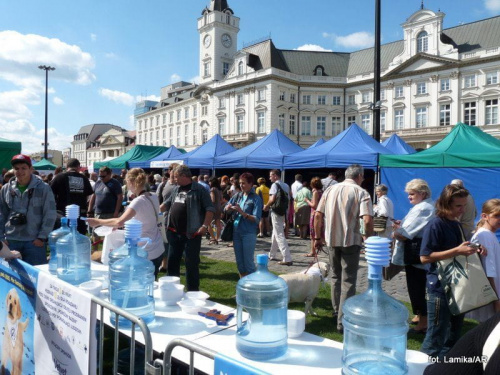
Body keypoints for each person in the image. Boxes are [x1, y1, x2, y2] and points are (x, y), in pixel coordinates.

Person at [420, 184, 486, 359]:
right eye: (458, 206)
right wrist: (457, 251)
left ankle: (443, 368)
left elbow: (457, 247)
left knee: (452, 337)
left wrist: (475, 247)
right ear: (446, 203)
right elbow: (425, 257)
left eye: (464, 205)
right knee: (435, 339)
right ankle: (421, 369)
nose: (462, 209)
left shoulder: (454, 223)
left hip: (458, 286)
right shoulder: (436, 224)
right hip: (440, 289)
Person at [314, 164, 373, 333]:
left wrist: (318, 238)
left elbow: (318, 215)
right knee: (348, 280)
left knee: (335, 276)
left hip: (332, 239)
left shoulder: (330, 190)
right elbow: (367, 220)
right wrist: (368, 239)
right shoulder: (361, 192)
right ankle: (342, 320)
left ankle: (336, 311)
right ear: (360, 176)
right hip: (351, 240)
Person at [87, 168, 165, 277]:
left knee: (140, 283)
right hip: (157, 247)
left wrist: (97, 222)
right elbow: (144, 218)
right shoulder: (153, 196)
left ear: (132, 182)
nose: (126, 185)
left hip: (145, 251)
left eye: (127, 182)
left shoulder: (138, 202)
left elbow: (119, 221)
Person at [392, 179, 435, 334]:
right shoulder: (423, 206)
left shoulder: (423, 208)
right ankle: (420, 315)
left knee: (416, 286)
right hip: (418, 252)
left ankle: (423, 321)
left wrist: (396, 232)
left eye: (412, 194)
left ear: (422, 194)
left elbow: (405, 234)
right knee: (417, 285)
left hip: (416, 253)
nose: (409, 197)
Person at [163, 165, 215, 291]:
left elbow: (210, 209)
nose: (174, 179)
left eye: (176, 176)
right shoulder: (176, 189)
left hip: (191, 234)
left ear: (183, 176)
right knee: (172, 262)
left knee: (191, 264)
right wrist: (152, 209)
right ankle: (172, 290)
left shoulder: (199, 190)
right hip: (173, 232)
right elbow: (167, 204)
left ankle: (192, 292)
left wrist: (204, 226)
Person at [0, 155, 56, 265]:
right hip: (11, 241)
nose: (20, 171)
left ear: (31, 169)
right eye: (16, 168)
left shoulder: (43, 188)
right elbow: (1, 214)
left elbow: (50, 213)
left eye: (23, 168)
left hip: (34, 242)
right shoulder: (6, 188)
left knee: (36, 277)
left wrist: (42, 237)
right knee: (12, 278)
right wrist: (2, 238)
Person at [423, 312, 500, 375]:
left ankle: (425, 361)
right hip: (446, 298)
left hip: (443, 297)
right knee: (446, 336)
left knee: (434, 337)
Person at [467, 199, 500, 323]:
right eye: (496, 215)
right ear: (485, 216)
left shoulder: (489, 235)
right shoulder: (484, 235)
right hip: (491, 291)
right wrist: (495, 299)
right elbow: (489, 270)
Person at [225, 172, 262, 277]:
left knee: (248, 262)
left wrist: (242, 213)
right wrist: (227, 208)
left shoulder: (256, 199)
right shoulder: (238, 195)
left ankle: (253, 287)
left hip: (248, 233)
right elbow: (226, 207)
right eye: (240, 183)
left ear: (251, 184)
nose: (241, 185)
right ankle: (243, 285)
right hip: (236, 232)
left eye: (244, 183)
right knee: (240, 263)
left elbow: (256, 219)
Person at [50, 158, 93, 234]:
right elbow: (89, 195)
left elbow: (50, 193)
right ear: (78, 167)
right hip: (80, 214)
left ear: (67, 167)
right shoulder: (84, 178)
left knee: (63, 238)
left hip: (63, 214)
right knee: (79, 239)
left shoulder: (59, 177)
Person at [263, 169, 292, 266]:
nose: (269, 177)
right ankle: (272, 254)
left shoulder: (274, 185)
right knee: (275, 233)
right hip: (283, 211)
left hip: (275, 211)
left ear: (275, 176)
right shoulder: (286, 185)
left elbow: (272, 199)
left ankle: (287, 257)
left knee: (279, 234)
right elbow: (288, 200)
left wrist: (266, 206)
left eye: (271, 175)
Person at [305, 177, 324, 257]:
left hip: (314, 214)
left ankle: (313, 251)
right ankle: (314, 250)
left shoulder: (315, 192)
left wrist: (307, 201)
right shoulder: (321, 192)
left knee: (313, 233)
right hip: (321, 214)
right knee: (319, 232)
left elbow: (314, 205)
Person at [208, 177, 222, 245]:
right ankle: (217, 238)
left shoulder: (212, 189)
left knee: (208, 223)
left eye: (210, 182)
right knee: (218, 224)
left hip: (213, 208)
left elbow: (212, 200)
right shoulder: (219, 190)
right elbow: (221, 199)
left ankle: (213, 238)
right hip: (219, 207)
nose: (209, 183)